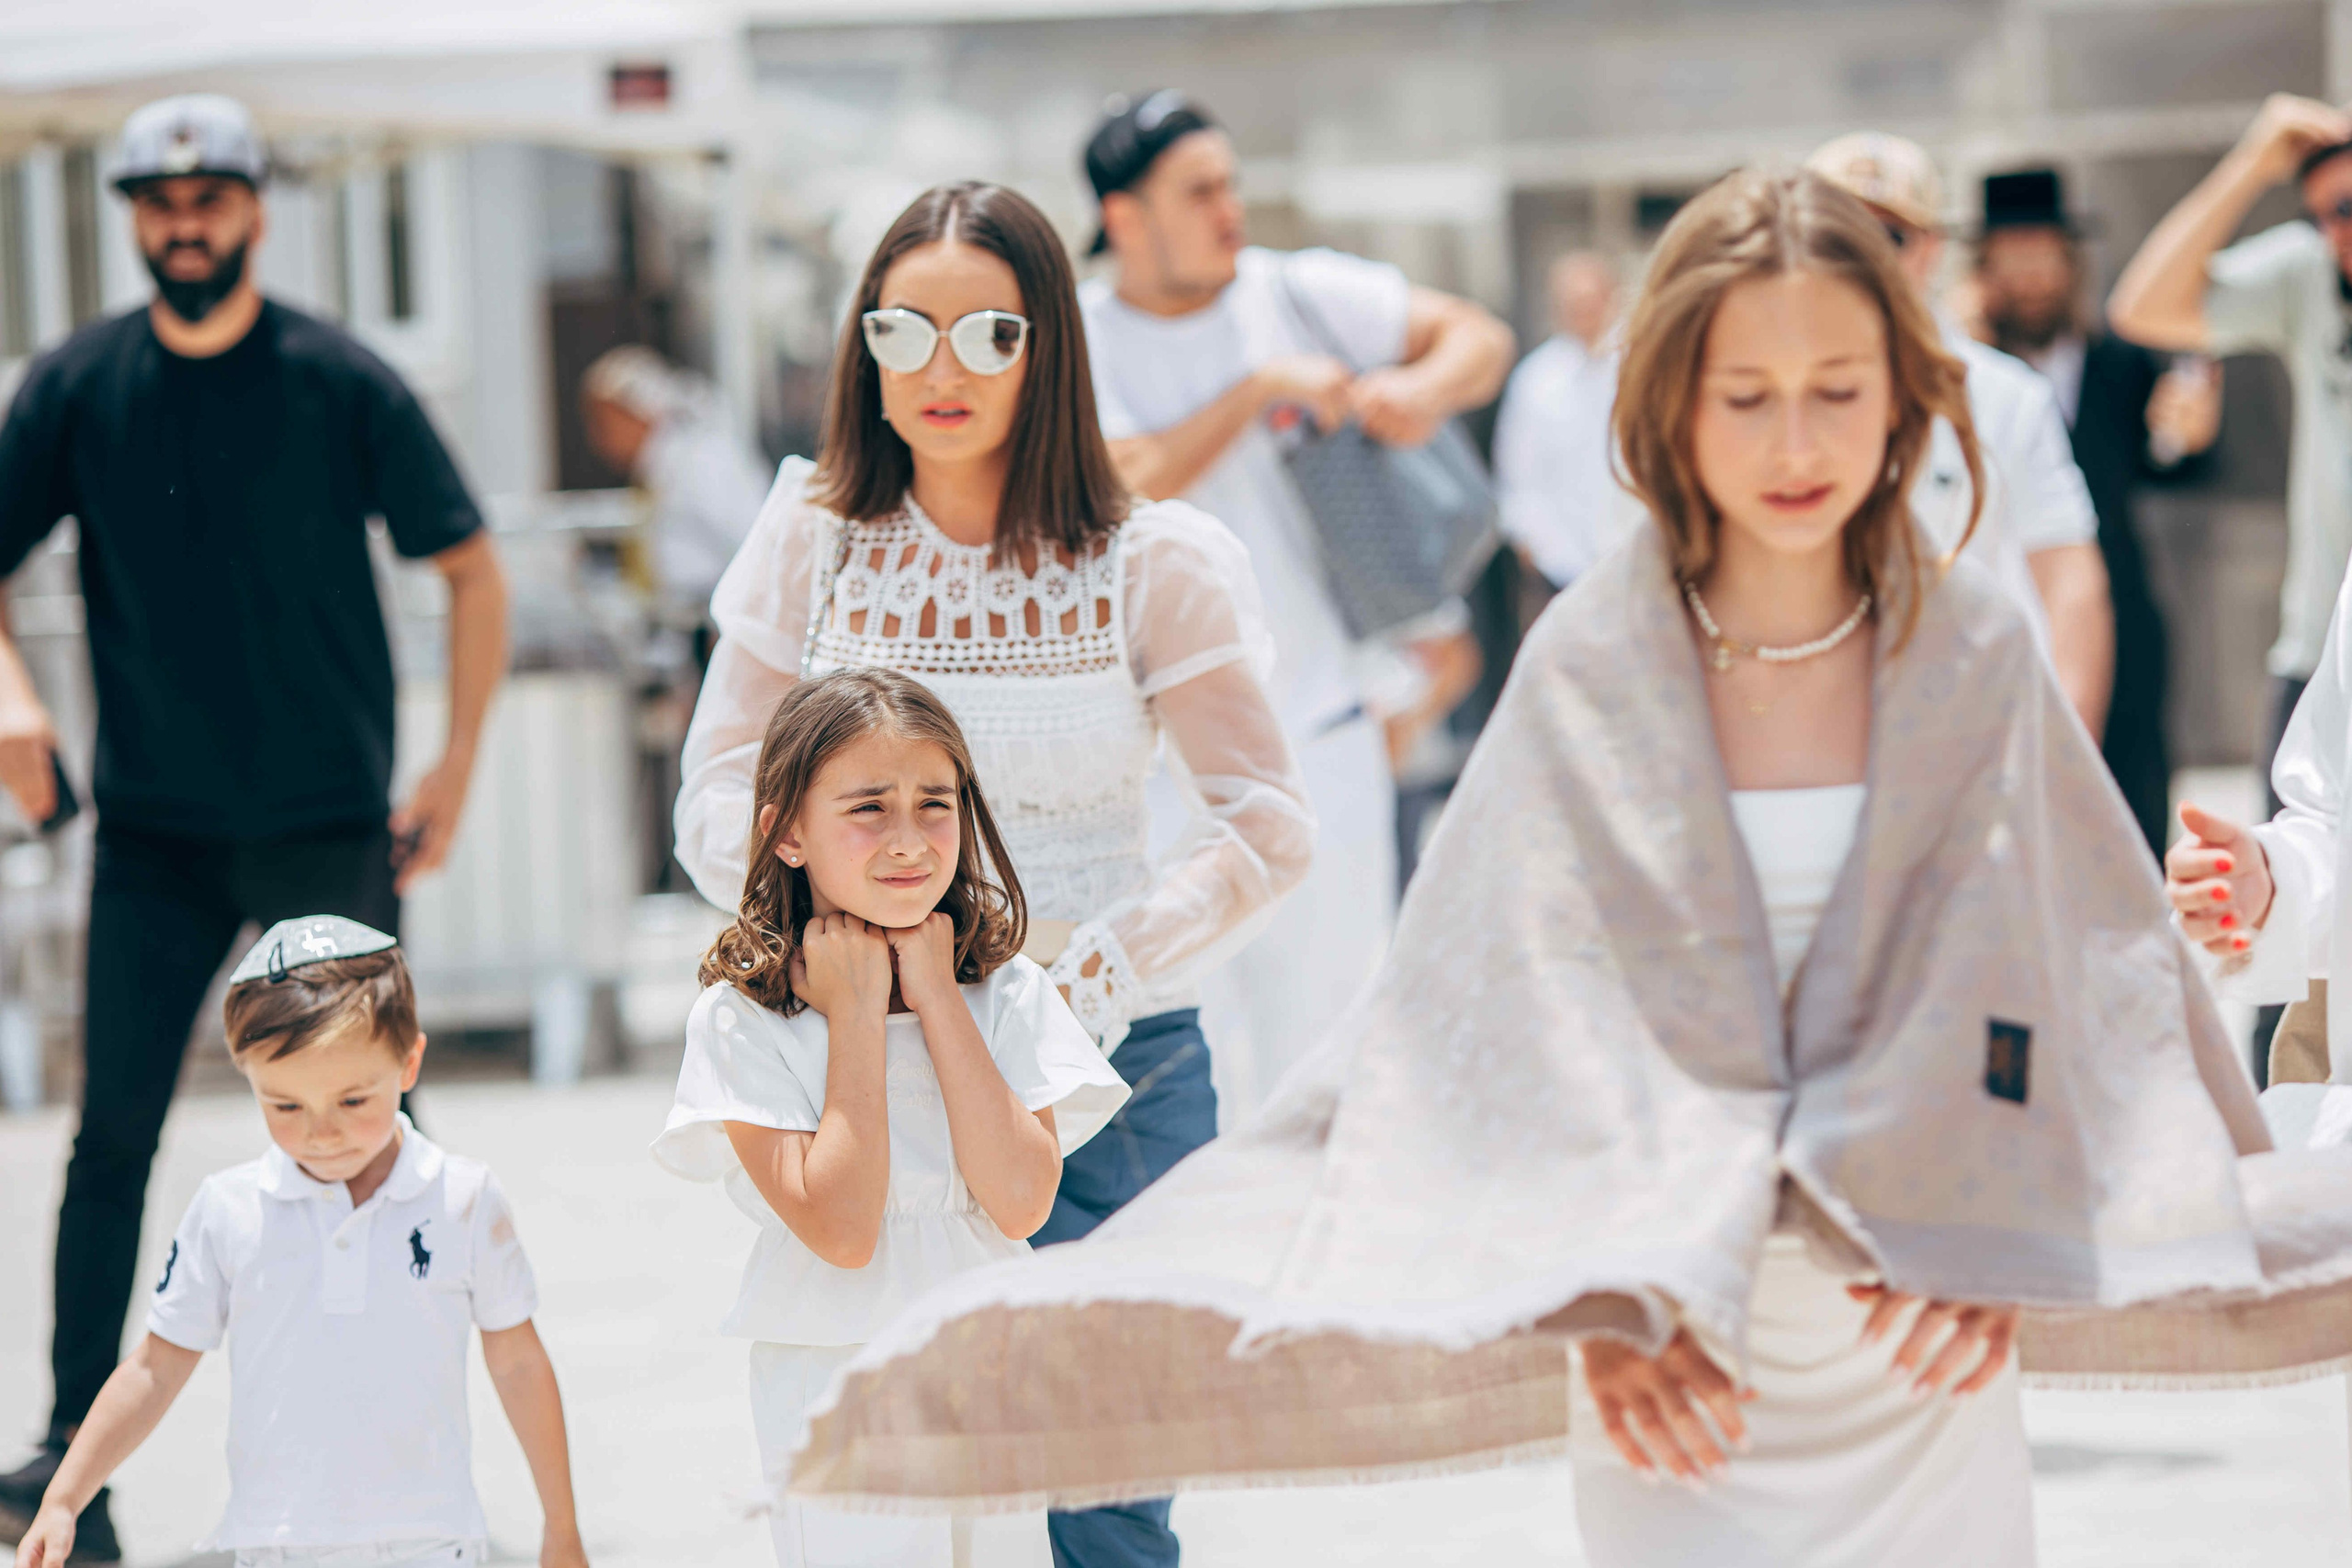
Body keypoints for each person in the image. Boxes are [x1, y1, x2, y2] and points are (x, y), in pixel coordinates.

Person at [776, 167, 2352, 1565]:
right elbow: (1497, 1009)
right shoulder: (1598, 656)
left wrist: (2005, 1229)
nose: (1794, 440)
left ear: (1903, 401)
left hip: (1925, 1325)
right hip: (1667, 1342)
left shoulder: (1973, 641)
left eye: (1837, 388)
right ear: (1671, 403)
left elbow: (2068, 960)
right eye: (1745, 394)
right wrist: (1585, 1304)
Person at [671, 182, 1310, 1568]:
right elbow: (719, 788)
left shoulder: (1155, 560)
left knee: (1106, 1495)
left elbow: (1265, 822)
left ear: (1052, 347)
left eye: (990, 333)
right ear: (865, 349)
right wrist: (837, 923)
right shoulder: (814, 541)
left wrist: (1083, 973)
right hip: (864, 1068)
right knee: (887, 1489)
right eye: (907, 331)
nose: (943, 370)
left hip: (1110, 1076)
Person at [0, 95, 509, 1559]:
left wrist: (457, 765)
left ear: (252, 210)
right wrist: (18, 711)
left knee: (379, 1139)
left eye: (209, 197)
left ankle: (408, 1446)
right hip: (154, 832)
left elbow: (473, 571)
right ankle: (66, 1467)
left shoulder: (339, 380)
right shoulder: (79, 385)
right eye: (158, 203)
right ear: (134, 222)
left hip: (326, 826)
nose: (185, 223)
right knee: (112, 1142)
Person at [1075, 91, 1512, 1110]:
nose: (1231, 209)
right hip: (1152, 775)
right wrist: (1255, 390)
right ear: (1125, 218)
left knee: (1334, 1048)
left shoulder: (1301, 290)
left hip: (1318, 738)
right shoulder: (1079, 339)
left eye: (1231, 184)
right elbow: (1116, 479)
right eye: (1200, 191)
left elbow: (1476, 338)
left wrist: (1422, 390)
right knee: (1190, 1058)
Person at [655, 669, 1127, 1566]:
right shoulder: (741, 1019)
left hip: (992, 1358)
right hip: (836, 1377)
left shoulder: (1008, 992)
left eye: (935, 804)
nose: (910, 840)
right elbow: (840, 1231)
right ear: (786, 832)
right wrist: (860, 1015)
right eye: (868, 808)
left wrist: (937, 998)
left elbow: (1022, 1202)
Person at [11, 918, 587, 1568]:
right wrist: (62, 1499)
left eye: (352, 1099)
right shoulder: (229, 1210)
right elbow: (154, 1368)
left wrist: (561, 1529)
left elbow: (518, 1363)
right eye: (284, 1106)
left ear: (409, 1062)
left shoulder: (463, 1198)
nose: (322, 1133)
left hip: (433, 1541)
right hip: (273, 1544)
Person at [1807, 132, 2116, 737]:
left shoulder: (2004, 398)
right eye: (1833, 236)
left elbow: (2068, 579)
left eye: (1887, 236)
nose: (1859, 257)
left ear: (1929, 250)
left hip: (1971, 735)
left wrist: (2064, 761)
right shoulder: (1752, 394)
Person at [1971, 167, 2222, 860]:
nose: (2029, 277)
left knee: (2132, 802)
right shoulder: (1966, 378)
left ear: (2069, 262)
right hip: (2003, 618)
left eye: (2042, 256)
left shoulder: (2121, 360)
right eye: (2012, 258)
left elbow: (2171, 462)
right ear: (1985, 269)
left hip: (2122, 606)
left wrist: (2190, 435)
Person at [580, 344, 770, 665]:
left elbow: (754, 546)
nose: (597, 438)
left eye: (604, 421)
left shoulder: (701, 463)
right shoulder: (658, 471)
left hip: (714, 633)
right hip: (685, 634)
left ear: (636, 412)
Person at [1492, 250, 1635, 604]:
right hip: (1561, 567)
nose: (1584, 313)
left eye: (1590, 301)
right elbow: (1516, 475)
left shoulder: (1641, 369)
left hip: (1636, 559)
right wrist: (1534, 546)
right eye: (1572, 303)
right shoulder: (1536, 379)